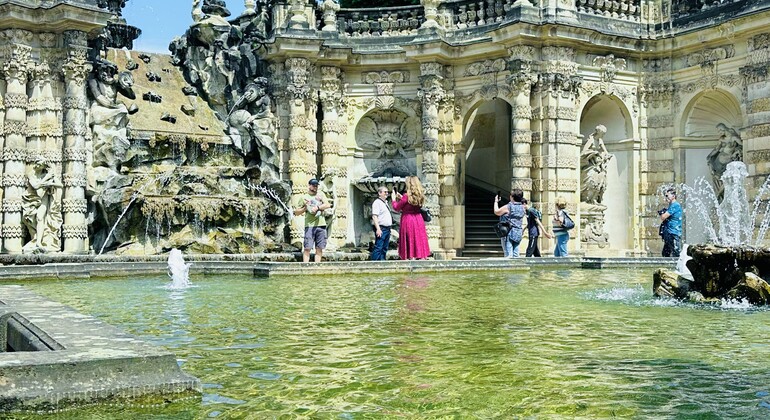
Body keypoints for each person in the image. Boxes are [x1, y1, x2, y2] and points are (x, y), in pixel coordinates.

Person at [391, 176, 430, 260]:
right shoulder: (420, 195)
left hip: (408, 219)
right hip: (418, 219)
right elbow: (411, 203)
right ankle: (420, 256)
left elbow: (396, 208)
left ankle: (410, 256)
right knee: (418, 238)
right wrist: (401, 198)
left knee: (410, 239)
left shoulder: (406, 196)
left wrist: (393, 199)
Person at [293, 178, 332, 262]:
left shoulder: (321, 195)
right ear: (309, 186)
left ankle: (317, 266)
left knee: (319, 248)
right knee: (307, 248)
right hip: (309, 226)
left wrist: (318, 207)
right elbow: (296, 212)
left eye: (316, 186)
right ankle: (305, 266)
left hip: (321, 225)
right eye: (313, 186)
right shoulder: (304, 198)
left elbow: (328, 205)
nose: (315, 187)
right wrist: (305, 208)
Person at [707, 123, 743, 200]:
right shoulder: (722, 139)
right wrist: (709, 156)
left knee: (727, 179)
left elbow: (743, 145)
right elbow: (717, 149)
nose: (719, 133)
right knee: (719, 179)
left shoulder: (734, 138)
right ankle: (720, 196)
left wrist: (737, 151)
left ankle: (720, 195)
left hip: (728, 161)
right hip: (718, 162)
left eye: (719, 131)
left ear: (722, 129)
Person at [493, 189, 525, 258]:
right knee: (516, 255)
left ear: (512, 197)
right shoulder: (523, 207)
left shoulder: (509, 206)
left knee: (508, 255)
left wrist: (496, 202)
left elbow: (496, 212)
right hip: (518, 232)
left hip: (509, 233)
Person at [371, 186, 393, 260]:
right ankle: (374, 264)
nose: (387, 193)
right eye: (385, 192)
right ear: (379, 193)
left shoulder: (385, 203)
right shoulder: (377, 203)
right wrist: (378, 229)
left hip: (387, 228)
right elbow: (374, 216)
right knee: (378, 247)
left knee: (384, 247)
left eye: (387, 192)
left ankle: (382, 262)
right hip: (381, 228)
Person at [660, 188, 682, 258]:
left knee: (676, 253)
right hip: (669, 232)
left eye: (667, 196)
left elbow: (663, 217)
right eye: (665, 196)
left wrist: (662, 213)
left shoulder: (675, 205)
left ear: (673, 196)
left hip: (673, 233)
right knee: (665, 253)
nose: (666, 198)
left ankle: (677, 267)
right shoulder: (671, 205)